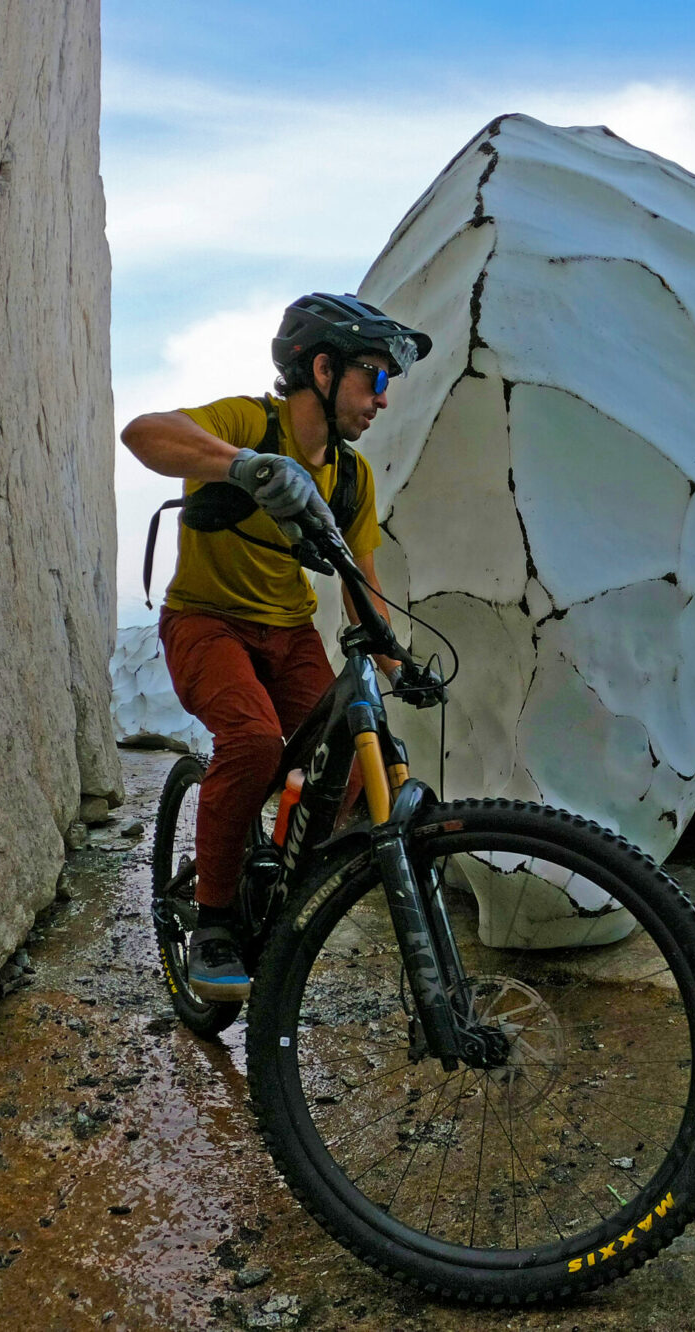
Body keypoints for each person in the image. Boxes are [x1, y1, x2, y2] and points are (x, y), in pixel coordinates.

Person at [121, 293, 432, 999]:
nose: (383, 399)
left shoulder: (352, 476)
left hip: (287, 632)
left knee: (354, 759)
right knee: (255, 743)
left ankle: (280, 873)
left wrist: (396, 663)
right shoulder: (249, 422)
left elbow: (363, 580)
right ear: (323, 368)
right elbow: (144, 433)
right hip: (206, 621)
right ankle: (216, 921)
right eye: (375, 377)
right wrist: (242, 466)